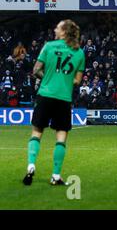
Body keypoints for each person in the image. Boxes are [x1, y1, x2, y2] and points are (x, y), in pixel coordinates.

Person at [23, 20, 85, 186]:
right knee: (61, 136)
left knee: (37, 132)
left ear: (64, 31)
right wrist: (63, 81)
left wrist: (47, 78)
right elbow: (78, 81)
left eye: (58, 27)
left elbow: (36, 70)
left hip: (45, 95)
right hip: (63, 98)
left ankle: (30, 166)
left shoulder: (49, 46)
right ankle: (56, 175)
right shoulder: (79, 52)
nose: (55, 28)